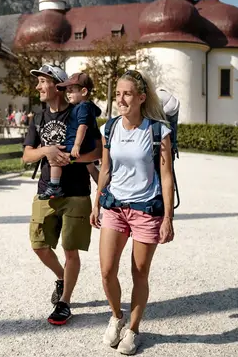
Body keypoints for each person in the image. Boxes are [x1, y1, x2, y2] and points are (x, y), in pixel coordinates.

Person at [90, 69, 175, 355]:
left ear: (140, 97)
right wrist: (97, 200)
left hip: (146, 210)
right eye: (117, 94)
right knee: (106, 271)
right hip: (114, 206)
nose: (121, 100)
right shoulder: (109, 128)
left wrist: (168, 218)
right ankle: (117, 316)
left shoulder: (158, 131)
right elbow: (106, 168)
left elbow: (166, 175)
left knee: (139, 273)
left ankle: (134, 330)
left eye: (127, 94)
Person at [22, 64, 102, 326]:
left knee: (71, 251)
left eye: (42, 82)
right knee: (39, 246)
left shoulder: (80, 112)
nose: (38, 87)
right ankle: (61, 277)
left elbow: (98, 153)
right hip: (46, 191)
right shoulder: (38, 117)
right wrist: (46, 152)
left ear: (57, 85)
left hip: (76, 193)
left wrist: (71, 158)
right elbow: (26, 155)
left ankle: (64, 302)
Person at [39, 72, 102, 200]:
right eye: (67, 91)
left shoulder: (82, 107)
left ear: (83, 91)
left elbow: (82, 126)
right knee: (90, 165)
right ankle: (104, 187)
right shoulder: (87, 107)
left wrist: (76, 145)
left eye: (71, 91)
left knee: (55, 158)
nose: (67, 94)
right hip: (87, 144)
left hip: (77, 143)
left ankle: (54, 185)